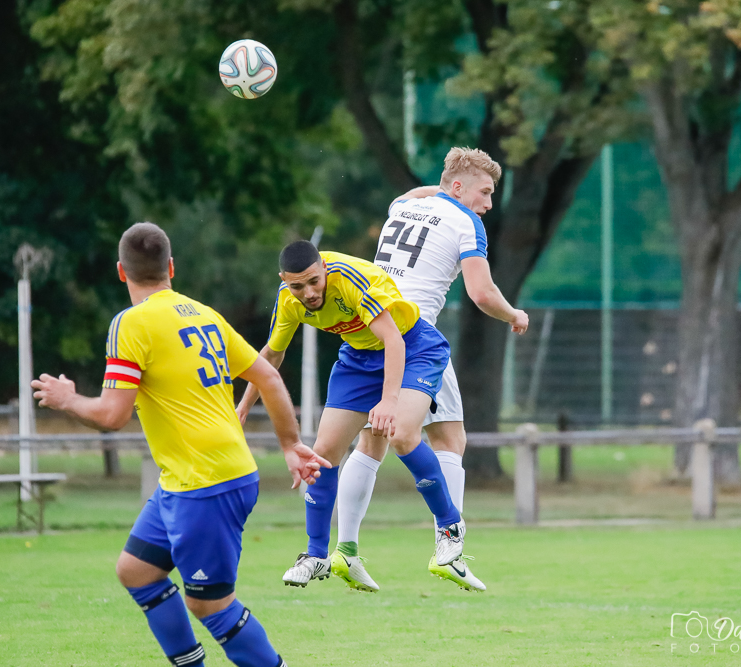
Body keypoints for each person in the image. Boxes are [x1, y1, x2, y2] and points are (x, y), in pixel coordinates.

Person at [32, 222, 328, 667]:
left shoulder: (130, 324)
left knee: (210, 605)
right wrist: (289, 444)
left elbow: (112, 416)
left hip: (206, 483)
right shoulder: (203, 313)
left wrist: (67, 399)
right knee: (137, 571)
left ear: (121, 272)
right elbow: (268, 375)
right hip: (190, 479)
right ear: (171, 267)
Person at [335, 147, 529, 592]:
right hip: (416, 336)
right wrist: (514, 314)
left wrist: (446, 189)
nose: (489, 203)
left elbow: (418, 193)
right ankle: (450, 548)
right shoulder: (467, 222)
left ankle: (345, 549)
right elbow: (482, 293)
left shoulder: (402, 207)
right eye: (485, 192)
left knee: (371, 440)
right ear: (459, 188)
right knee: (449, 438)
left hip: (370, 330)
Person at [236, 242, 465, 592]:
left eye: (314, 281)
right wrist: (241, 409)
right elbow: (271, 356)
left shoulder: (351, 280)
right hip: (359, 357)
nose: (309, 293)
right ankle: (316, 556)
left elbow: (393, 339)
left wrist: (388, 401)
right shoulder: (288, 300)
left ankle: (450, 527)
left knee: (402, 434)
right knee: (322, 453)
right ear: (284, 280)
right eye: (297, 286)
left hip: (414, 346)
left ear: (323, 268)